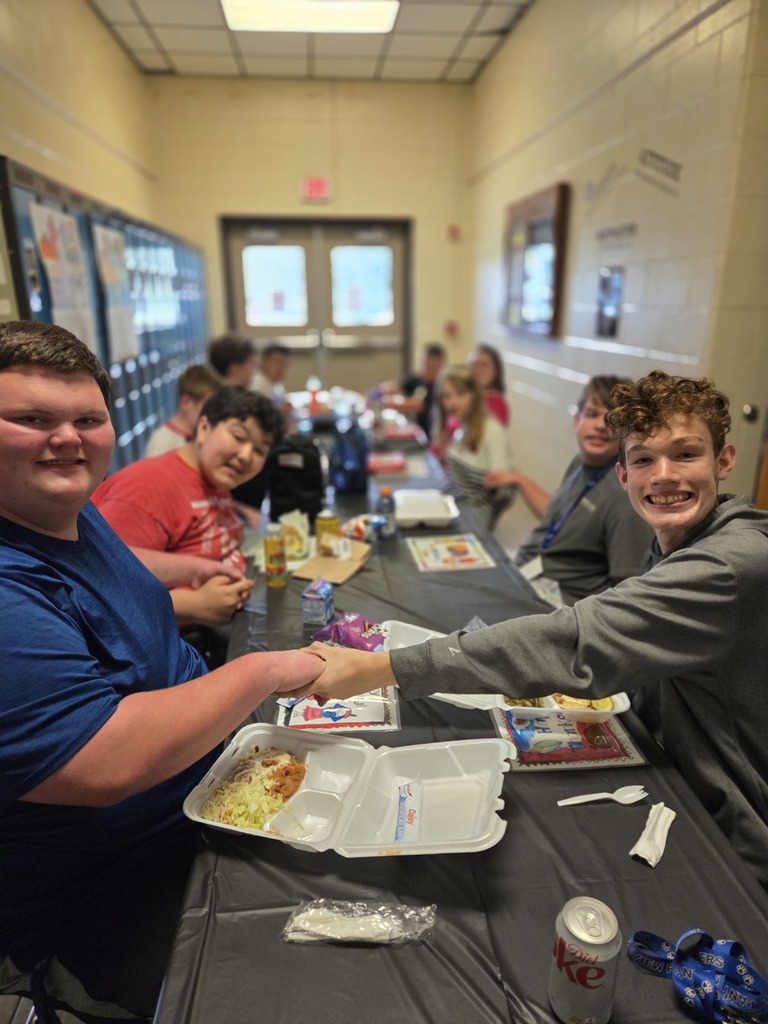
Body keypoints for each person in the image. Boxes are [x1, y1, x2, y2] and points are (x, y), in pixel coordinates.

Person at [299, 370, 768, 891]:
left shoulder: (728, 565)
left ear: (724, 462)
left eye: (685, 454)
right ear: (623, 474)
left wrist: (377, 668)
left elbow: (574, 640)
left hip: (730, 832)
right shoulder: (682, 539)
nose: (663, 475)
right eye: (643, 459)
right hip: (668, 768)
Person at [0, 321, 323, 1021]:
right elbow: (104, 760)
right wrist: (261, 672)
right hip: (118, 877)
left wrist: (187, 567)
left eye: (87, 419)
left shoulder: (70, 513)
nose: (68, 438)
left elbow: (122, 558)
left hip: (205, 791)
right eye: (31, 419)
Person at [94, 386, 281, 668]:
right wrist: (192, 605)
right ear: (204, 428)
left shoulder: (215, 481)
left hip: (213, 636)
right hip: (159, 660)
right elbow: (99, 589)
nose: (246, 455)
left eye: (259, 450)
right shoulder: (147, 486)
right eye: (239, 437)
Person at [484, 374, 653, 606]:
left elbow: (627, 595)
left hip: (556, 607)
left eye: (612, 419)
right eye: (592, 414)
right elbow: (562, 519)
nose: (600, 426)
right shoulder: (582, 463)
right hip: (527, 579)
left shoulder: (624, 496)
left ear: (627, 431)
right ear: (577, 420)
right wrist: (521, 480)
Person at [434, 364, 515, 529]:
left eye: (461, 394)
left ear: (475, 395)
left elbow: (505, 491)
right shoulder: (462, 426)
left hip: (473, 524)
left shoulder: (491, 430)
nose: (452, 402)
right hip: (455, 512)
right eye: (446, 396)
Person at [207, 332, 265, 527]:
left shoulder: (236, 400)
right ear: (235, 368)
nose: (254, 371)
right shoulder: (227, 407)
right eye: (251, 364)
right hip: (237, 501)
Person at [144, 363, 221, 458]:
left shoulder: (201, 435)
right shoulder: (162, 443)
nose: (212, 413)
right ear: (185, 402)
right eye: (208, 406)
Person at [372, 341, 447, 438]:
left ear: (440, 365)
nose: (425, 369)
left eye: (429, 366)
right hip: (411, 430)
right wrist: (377, 392)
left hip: (428, 436)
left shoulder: (440, 387)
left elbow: (418, 405)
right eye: (423, 364)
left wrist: (386, 402)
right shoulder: (416, 379)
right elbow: (395, 386)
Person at [469, 343, 510, 427]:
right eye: (474, 365)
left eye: (483, 365)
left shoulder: (496, 403)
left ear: (496, 369)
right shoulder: (467, 395)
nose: (477, 370)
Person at [250, 341, 292, 413]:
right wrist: (279, 411)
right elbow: (258, 413)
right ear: (263, 362)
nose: (281, 368)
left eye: (284, 364)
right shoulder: (258, 384)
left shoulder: (275, 383)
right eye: (276, 361)